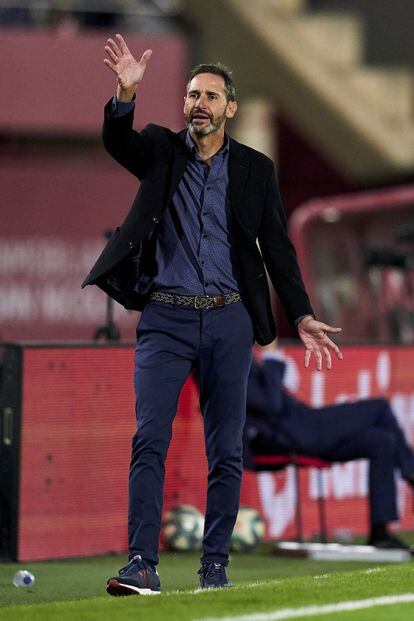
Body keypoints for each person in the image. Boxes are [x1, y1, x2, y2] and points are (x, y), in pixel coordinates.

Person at [82, 34, 343, 594]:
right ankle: (142, 564)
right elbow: (116, 140)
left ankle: (214, 567)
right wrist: (124, 95)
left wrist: (300, 315)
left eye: (210, 96)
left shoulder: (255, 168)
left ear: (230, 108)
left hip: (229, 322)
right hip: (165, 320)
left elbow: (277, 247)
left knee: (225, 450)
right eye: (191, 94)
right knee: (149, 437)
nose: (198, 103)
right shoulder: (160, 150)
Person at [245, 345, 414, 549]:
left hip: (303, 426)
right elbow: (271, 404)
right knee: (379, 407)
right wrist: (272, 357)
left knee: (382, 440)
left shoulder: (238, 356)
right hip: (299, 434)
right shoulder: (226, 367)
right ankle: (411, 474)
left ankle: (380, 533)